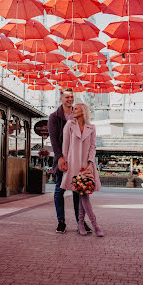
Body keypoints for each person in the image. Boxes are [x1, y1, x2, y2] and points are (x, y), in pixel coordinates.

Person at [48, 88, 92, 234]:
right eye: (66, 97)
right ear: (61, 98)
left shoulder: (78, 113)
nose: (69, 99)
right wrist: (60, 158)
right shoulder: (54, 117)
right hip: (63, 160)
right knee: (59, 191)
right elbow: (54, 140)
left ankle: (80, 222)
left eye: (71, 97)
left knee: (78, 192)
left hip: (77, 161)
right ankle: (61, 221)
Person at [60, 103, 103, 237]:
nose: (73, 110)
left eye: (76, 109)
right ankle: (95, 225)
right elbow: (65, 145)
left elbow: (93, 147)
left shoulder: (92, 127)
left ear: (83, 111)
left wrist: (91, 163)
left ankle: (81, 223)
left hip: (86, 165)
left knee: (83, 194)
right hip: (73, 165)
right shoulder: (69, 125)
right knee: (83, 195)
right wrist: (65, 162)